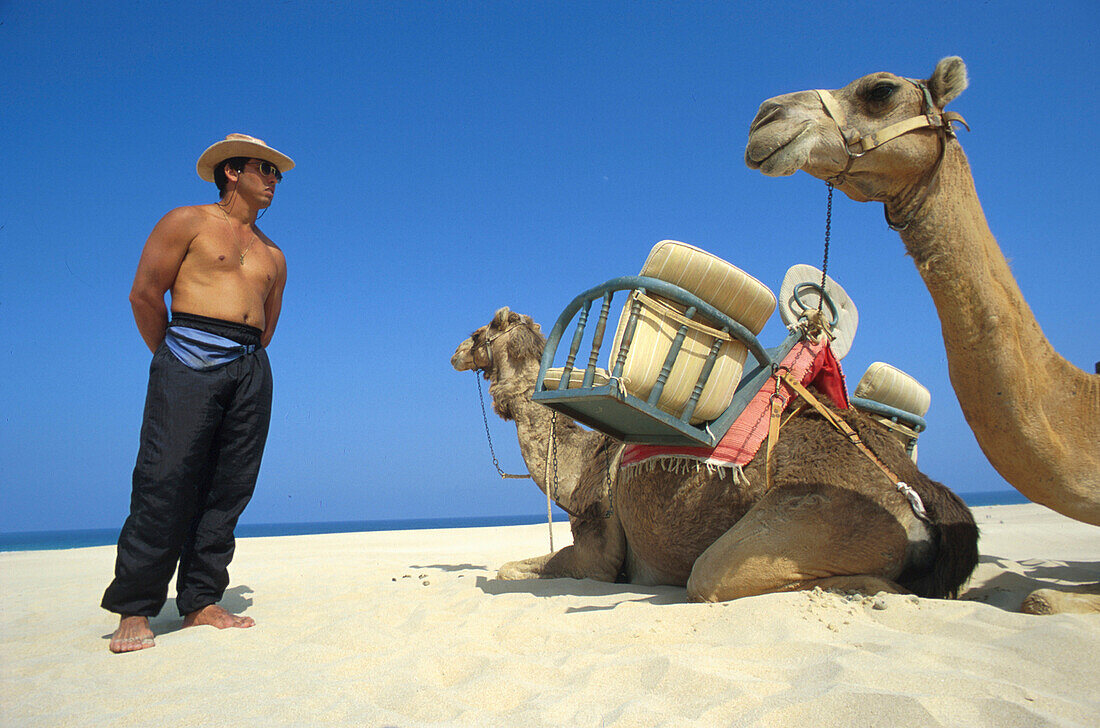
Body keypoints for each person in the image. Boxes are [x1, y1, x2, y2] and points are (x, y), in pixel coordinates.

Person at [102, 133, 293, 653]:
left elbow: (266, 326)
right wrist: (172, 357)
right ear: (232, 171)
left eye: (278, 174)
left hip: (251, 367)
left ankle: (201, 601)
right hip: (186, 357)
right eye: (265, 170)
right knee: (164, 479)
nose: (275, 181)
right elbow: (144, 294)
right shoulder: (186, 221)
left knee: (230, 487)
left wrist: (237, 359)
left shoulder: (273, 254)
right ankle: (136, 609)